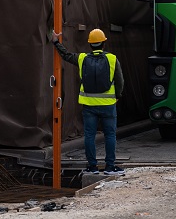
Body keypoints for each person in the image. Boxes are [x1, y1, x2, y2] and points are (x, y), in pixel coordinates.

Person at [52, 28, 126, 175]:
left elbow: (66, 55)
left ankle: (92, 167)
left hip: (89, 106)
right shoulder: (112, 59)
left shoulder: (82, 58)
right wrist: (117, 96)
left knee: (90, 136)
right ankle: (110, 167)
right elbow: (120, 81)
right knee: (110, 135)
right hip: (108, 106)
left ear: (90, 44)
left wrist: (55, 42)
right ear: (104, 42)